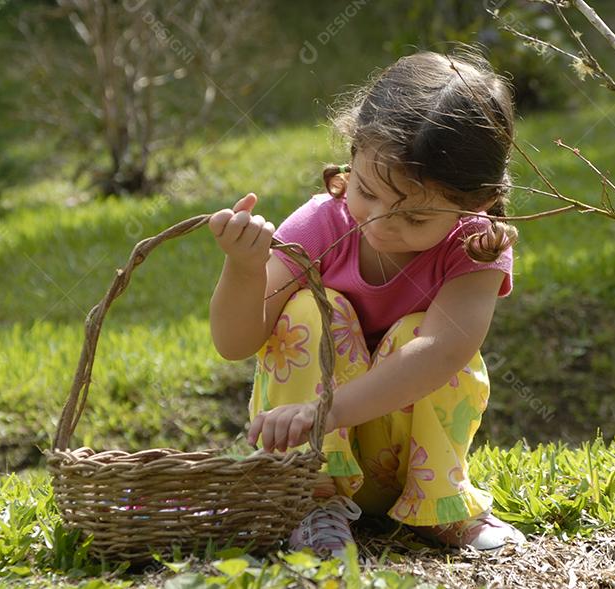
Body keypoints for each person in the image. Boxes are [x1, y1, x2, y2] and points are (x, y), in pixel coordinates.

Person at [208, 47, 525, 557]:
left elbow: (444, 352)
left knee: (421, 336)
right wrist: (243, 270)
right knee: (315, 309)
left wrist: (327, 411)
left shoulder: (475, 248)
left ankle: (439, 507)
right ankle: (311, 502)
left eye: (414, 218)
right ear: (351, 155)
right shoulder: (321, 225)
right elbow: (233, 342)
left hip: (401, 465)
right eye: (366, 191)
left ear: (477, 202)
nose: (378, 222)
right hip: (310, 456)